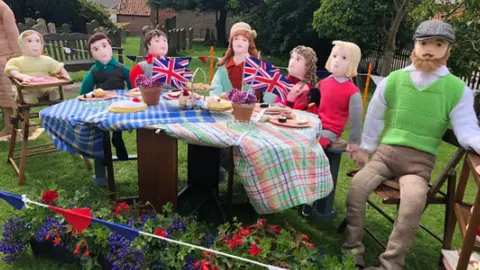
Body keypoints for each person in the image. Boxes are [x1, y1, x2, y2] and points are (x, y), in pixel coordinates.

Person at [342, 20, 480, 270]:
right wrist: (366, 148)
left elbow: (467, 129)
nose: (429, 50)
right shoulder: (395, 79)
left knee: (413, 203)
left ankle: (390, 264)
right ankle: (352, 251)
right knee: (357, 187)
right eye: (423, 43)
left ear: (448, 48)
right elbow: (374, 113)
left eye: (438, 44)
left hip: (418, 166)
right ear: (415, 45)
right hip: (385, 156)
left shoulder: (457, 90)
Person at [80, 32, 132, 185]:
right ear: (91, 53)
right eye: (95, 49)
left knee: (117, 127)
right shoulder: (94, 72)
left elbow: (134, 89)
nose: (102, 51)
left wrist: (133, 97)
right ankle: (103, 155)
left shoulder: (123, 69)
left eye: (104, 46)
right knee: (101, 131)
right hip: (101, 106)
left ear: (111, 47)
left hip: (120, 106)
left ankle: (118, 140)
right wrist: (90, 96)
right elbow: (84, 91)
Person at [317, 41, 362, 150]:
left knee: (314, 140)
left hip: (330, 131)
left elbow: (356, 119)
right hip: (313, 123)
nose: (336, 60)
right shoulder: (322, 84)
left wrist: (353, 142)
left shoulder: (353, 92)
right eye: (334, 56)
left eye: (344, 58)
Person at [4, 30, 71, 104]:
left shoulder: (47, 59)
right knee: (28, 95)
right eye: (29, 41)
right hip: (27, 88)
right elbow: (13, 71)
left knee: (53, 91)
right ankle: (28, 96)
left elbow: (59, 67)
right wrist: (23, 77)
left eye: (37, 41)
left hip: (45, 87)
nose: (35, 44)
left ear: (42, 44)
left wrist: (67, 79)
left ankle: (52, 93)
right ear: (22, 44)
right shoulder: (16, 61)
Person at [210, 22, 260, 99]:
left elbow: (267, 93)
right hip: (225, 107)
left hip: (250, 108)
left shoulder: (255, 67)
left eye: (244, 40)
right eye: (236, 39)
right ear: (231, 43)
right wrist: (216, 99)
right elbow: (215, 90)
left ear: (249, 43)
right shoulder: (224, 68)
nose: (239, 42)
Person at [0, 0, 21, 137]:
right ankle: (8, 126)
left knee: (13, 91)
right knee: (2, 93)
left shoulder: (2, 7)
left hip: (7, 55)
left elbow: (12, 32)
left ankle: (24, 125)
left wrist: (18, 56)